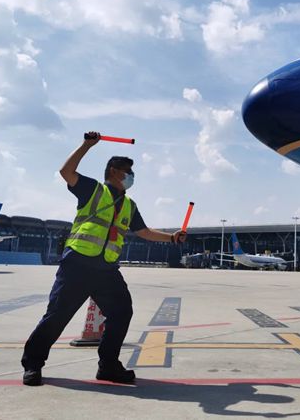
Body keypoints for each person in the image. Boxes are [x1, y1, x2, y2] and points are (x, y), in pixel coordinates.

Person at [21, 132, 186, 386]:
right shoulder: (92, 189)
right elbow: (66, 171)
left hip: (106, 270)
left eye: (132, 173)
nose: (131, 177)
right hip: (77, 264)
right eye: (127, 171)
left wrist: (172, 238)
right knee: (57, 316)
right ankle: (33, 364)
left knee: (122, 312)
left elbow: (144, 232)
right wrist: (87, 145)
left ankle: (108, 366)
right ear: (113, 171)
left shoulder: (129, 205)